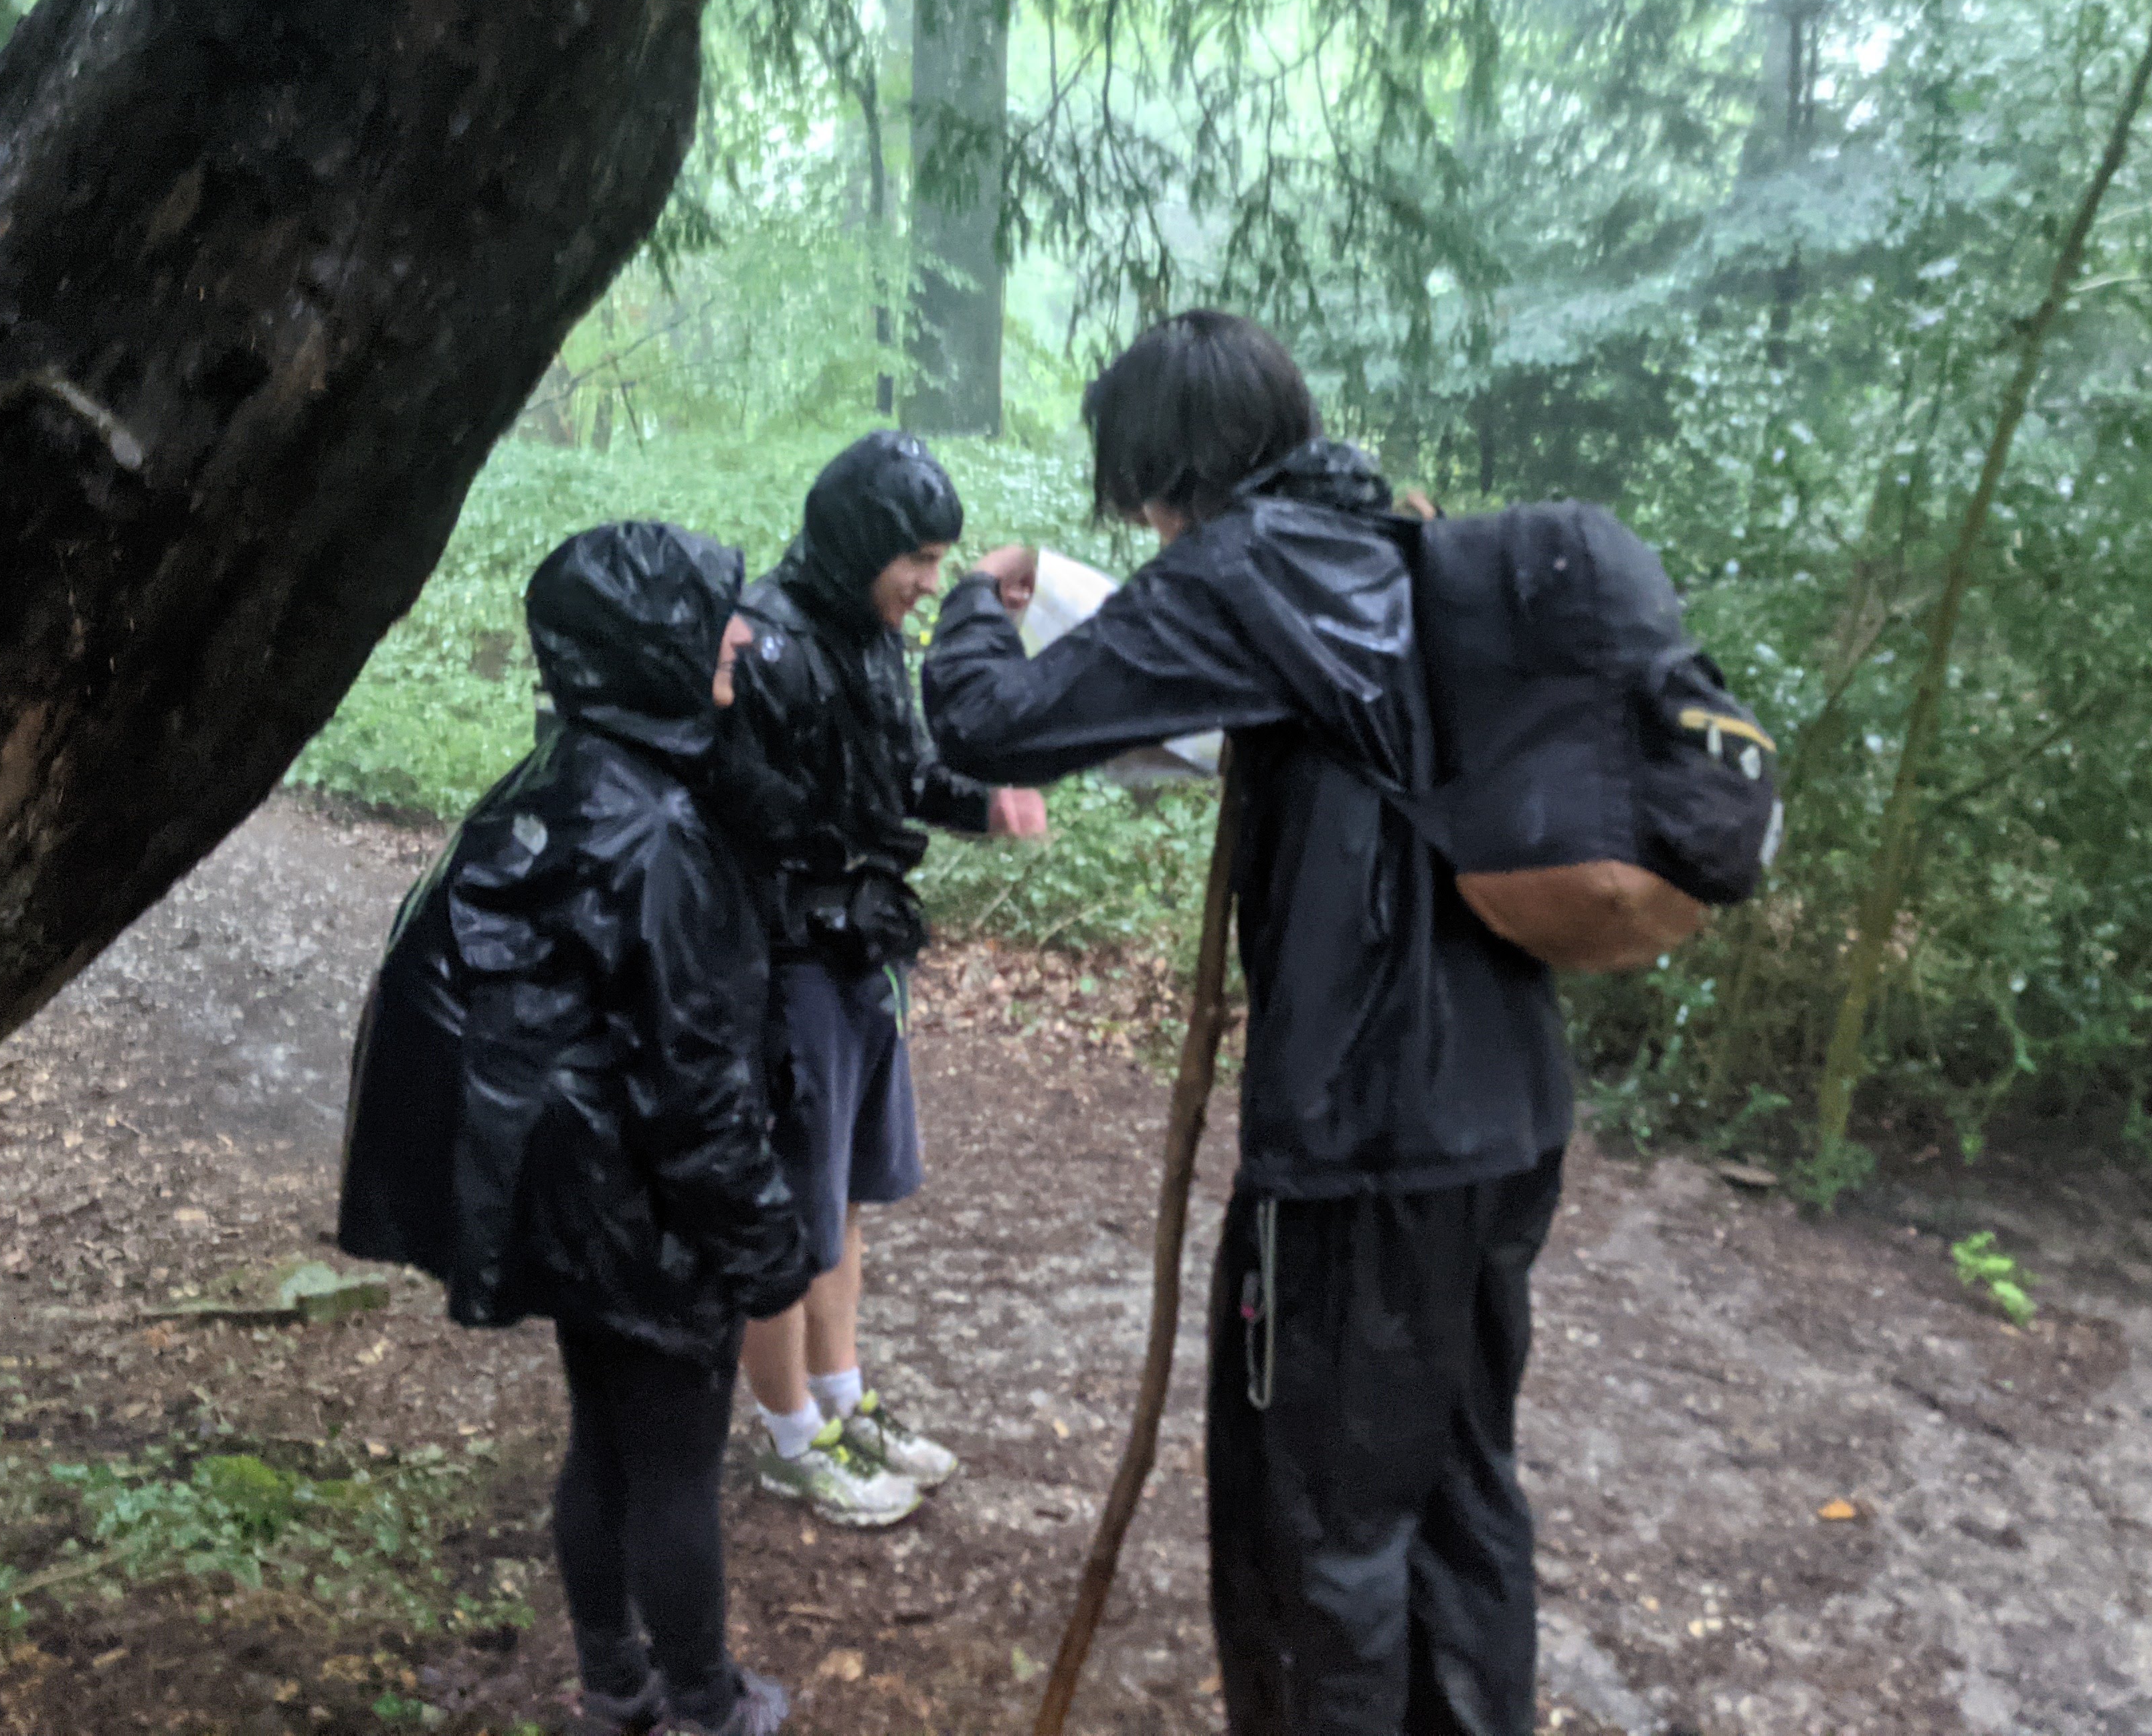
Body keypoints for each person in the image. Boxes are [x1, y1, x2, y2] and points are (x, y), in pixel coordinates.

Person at [920, 313, 1575, 1736]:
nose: (1145, 528)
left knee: (1322, 1526)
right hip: (1512, 1109)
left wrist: (978, 598)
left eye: (1142, 496)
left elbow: (990, 723)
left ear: (1167, 474)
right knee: (1463, 1490)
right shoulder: (1405, 548)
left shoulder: (1242, 568)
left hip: (1360, 1134)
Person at [339, 521, 812, 1736]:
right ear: (652, 644)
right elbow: (695, 1080)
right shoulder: (658, 831)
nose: (741, 634)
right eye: (714, 616)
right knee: (671, 1464)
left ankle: (617, 1687)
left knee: (602, 1441)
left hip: (575, 1207)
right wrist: (765, 1246)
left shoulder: (559, 779)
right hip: (643, 1212)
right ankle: (705, 1705)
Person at [728, 430, 1046, 1527]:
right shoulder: (765, 642)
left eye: (939, 561)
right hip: (789, 967)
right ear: (863, 542)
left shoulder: (871, 640)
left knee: (847, 1193)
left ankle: (841, 1399)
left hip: (863, 955)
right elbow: (739, 822)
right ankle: (789, 1438)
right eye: (917, 559)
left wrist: (986, 805)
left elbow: (903, 774)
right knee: (787, 1205)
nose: (926, 582)